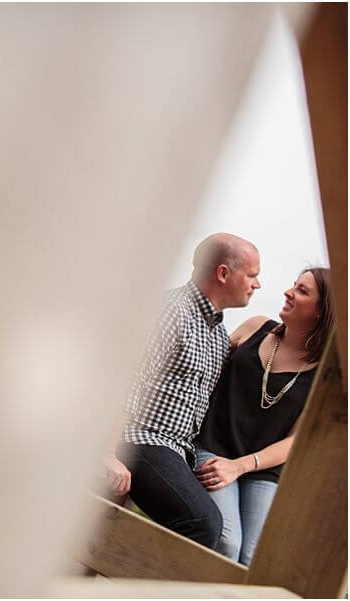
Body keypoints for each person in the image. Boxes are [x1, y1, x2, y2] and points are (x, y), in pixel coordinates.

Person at [103, 232, 260, 549]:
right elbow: (128, 383)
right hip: (140, 440)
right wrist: (107, 451)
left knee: (225, 532)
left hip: (179, 451)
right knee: (203, 523)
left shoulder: (218, 337)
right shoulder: (169, 311)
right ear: (223, 273)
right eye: (253, 275)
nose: (257, 285)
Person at [193, 267, 333, 565]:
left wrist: (242, 466)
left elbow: (296, 441)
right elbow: (202, 364)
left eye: (302, 291)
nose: (288, 291)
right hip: (212, 449)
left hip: (260, 470)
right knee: (228, 543)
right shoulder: (255, 328)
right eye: (294, 284)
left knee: (253, 559)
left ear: (323, 312)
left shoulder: (326, 375)